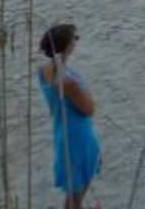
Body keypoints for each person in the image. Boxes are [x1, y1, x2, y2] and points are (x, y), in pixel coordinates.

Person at [37, 23, 101, 209]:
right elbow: (89, 109)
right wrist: (87, 95)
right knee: (77, 193)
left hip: (62, 132)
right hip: (78, 138)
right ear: (66, 46)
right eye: (75, 39)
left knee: (73, 194)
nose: (76, 42)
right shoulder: (68, 83)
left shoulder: (43, 72)